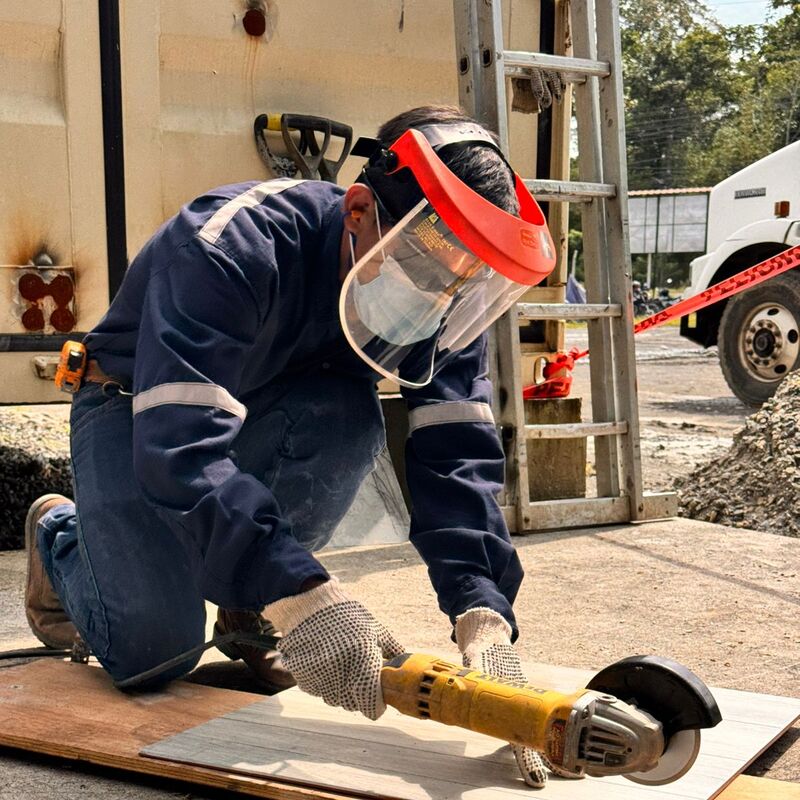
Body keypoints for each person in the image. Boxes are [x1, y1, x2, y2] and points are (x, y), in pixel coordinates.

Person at [24, 105, 565, 788]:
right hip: (139, 409)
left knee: (350, 417)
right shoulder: (229, 245)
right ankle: (63, 535)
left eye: (461, 277)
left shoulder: (442, 299)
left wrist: (481, 609)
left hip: (266, 408)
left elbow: (455, 451)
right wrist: (304, 595)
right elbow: (182, 447)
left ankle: (250, 611)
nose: (440, 291)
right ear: (361, 209)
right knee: (151, 658)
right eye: (428, 265)